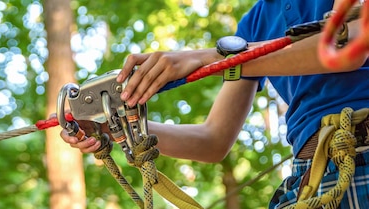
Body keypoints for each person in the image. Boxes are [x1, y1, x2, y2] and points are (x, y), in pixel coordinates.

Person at [59, 0, 369, 208]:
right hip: (311, 171)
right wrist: (118, 124)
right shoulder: (256, 23)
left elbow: (349, 45)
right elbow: (213, 140)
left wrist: (211, 58)